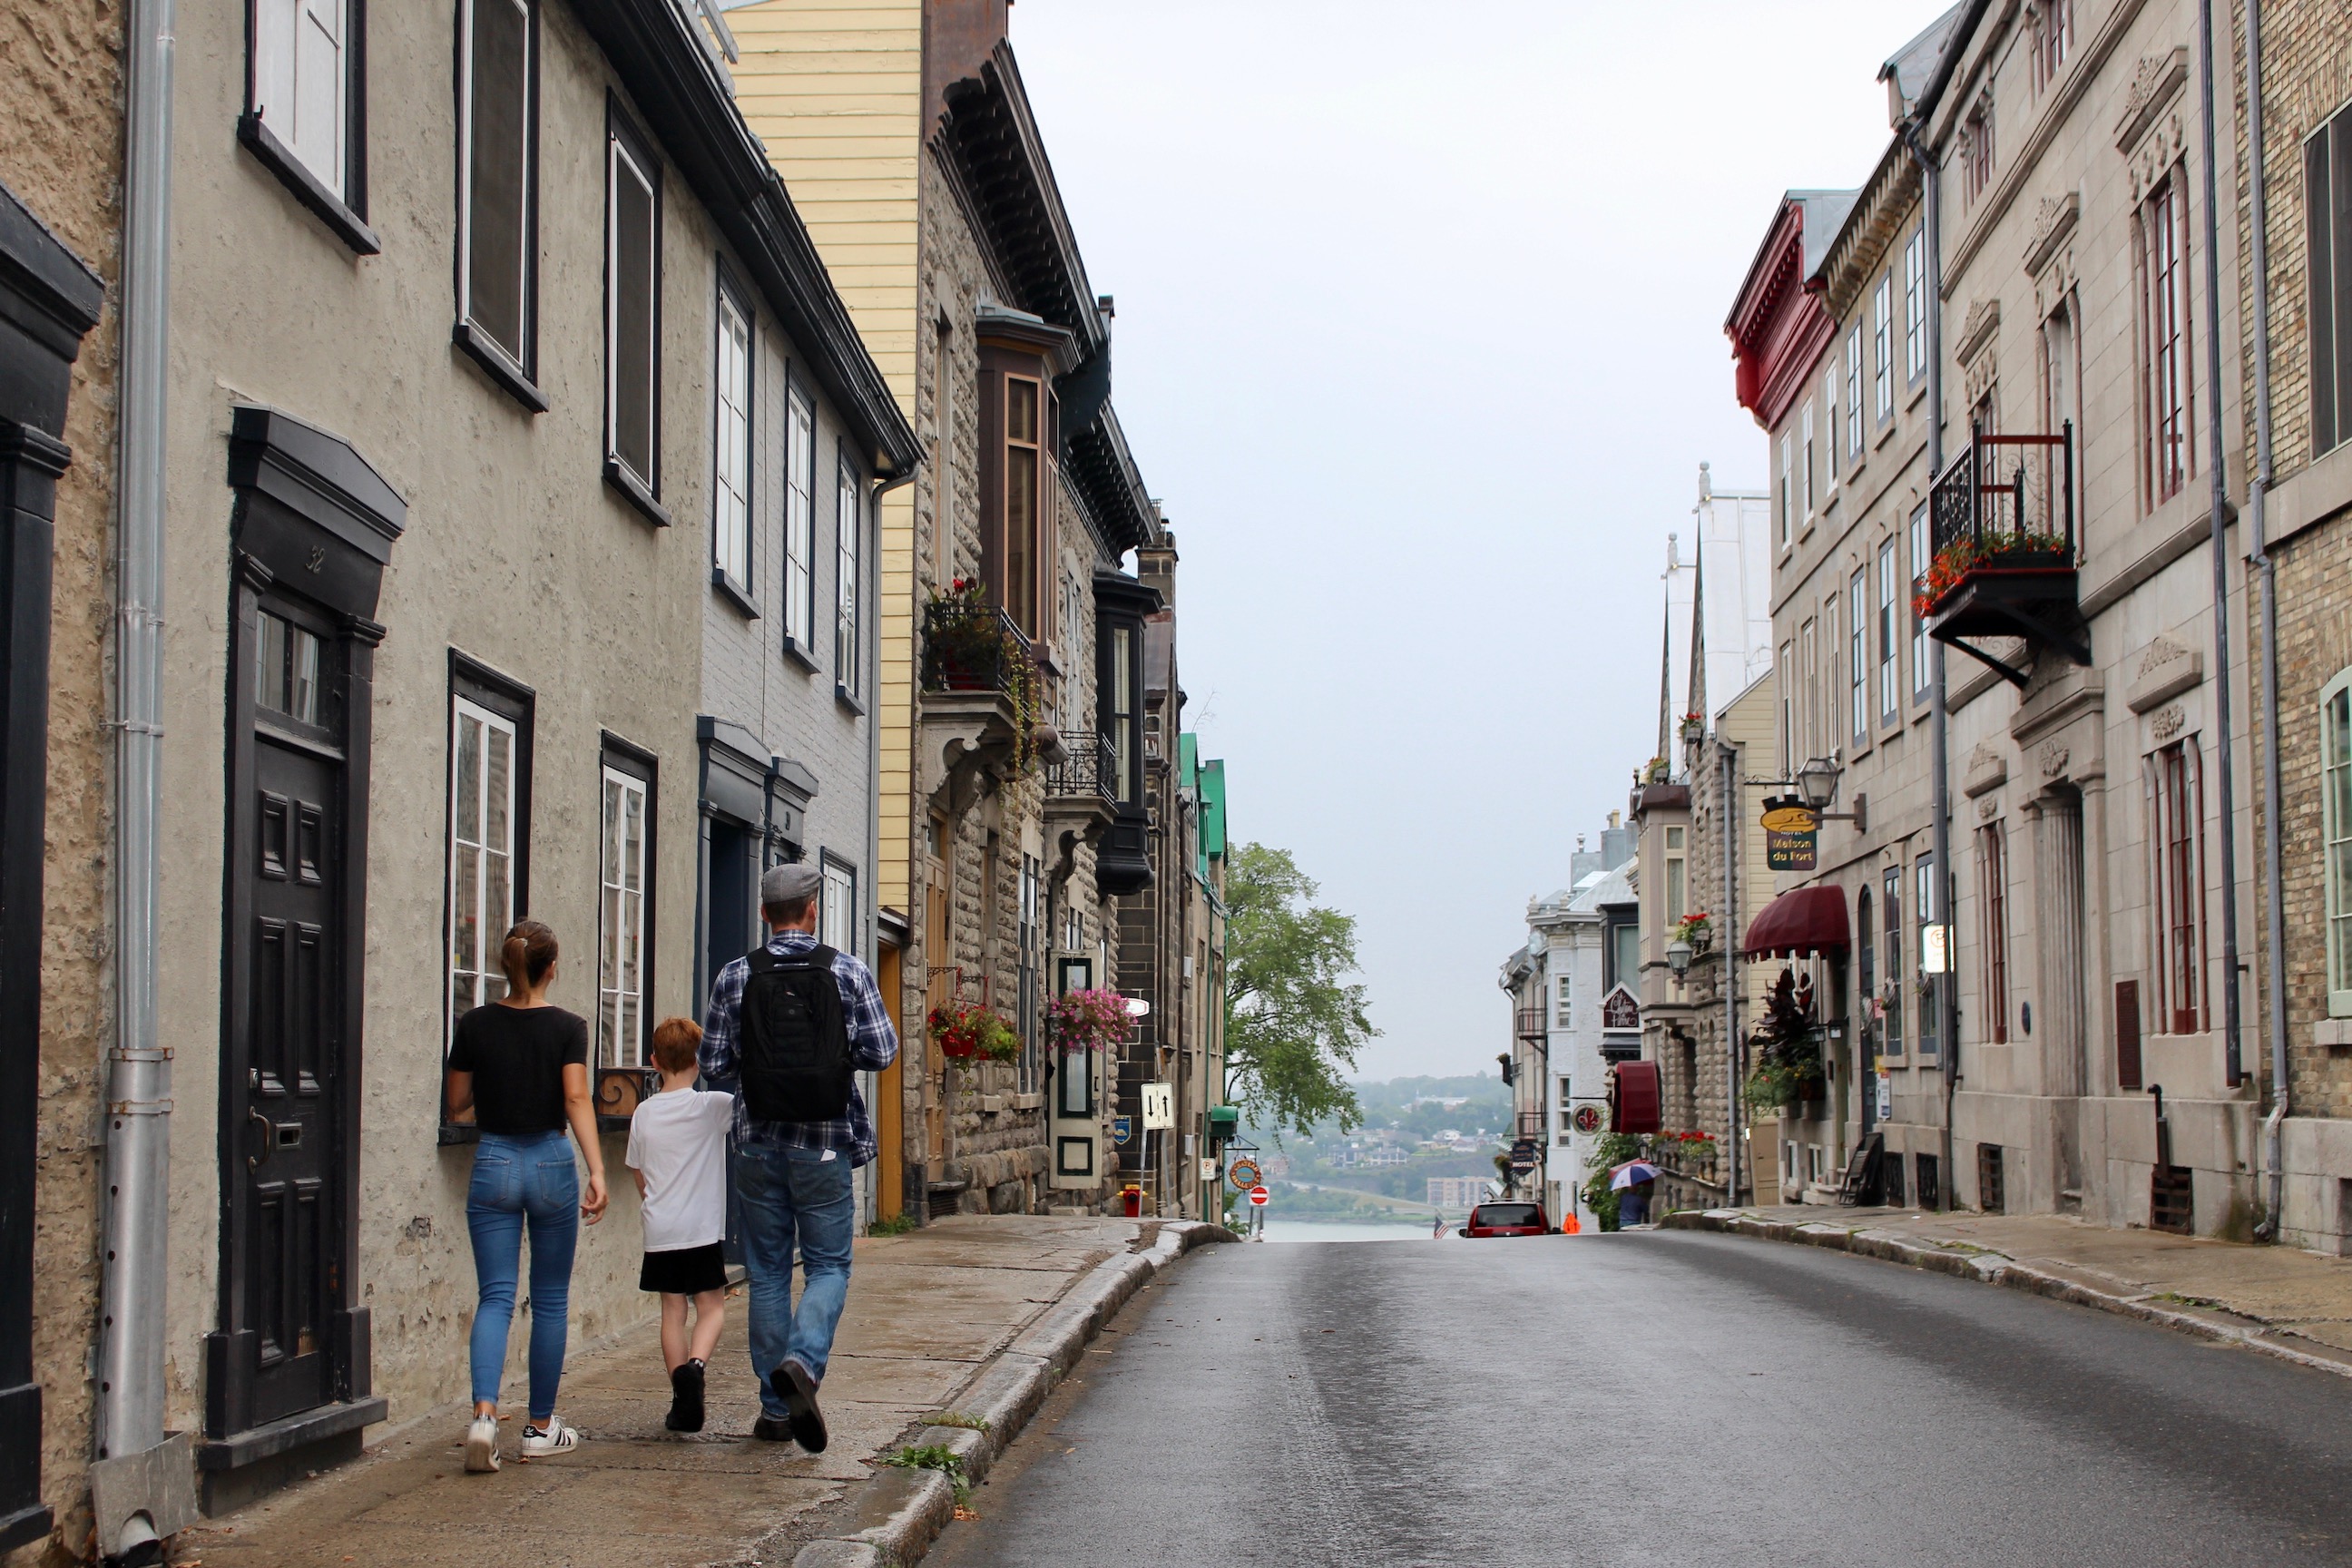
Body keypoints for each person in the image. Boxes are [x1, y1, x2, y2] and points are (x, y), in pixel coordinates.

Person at [701, 863, 898, 1452]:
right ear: (812, 911)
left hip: (757, 1143)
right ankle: (804, 1364)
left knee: (766, 1272)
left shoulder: (736, 975)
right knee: (828, 1266)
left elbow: (713, 1064)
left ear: (765, 914)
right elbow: (881, 1052)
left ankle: (774, 1410)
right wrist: (831, 1056)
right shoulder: (847, 971)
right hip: (823, 1140)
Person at [444, 920, 609, 1474]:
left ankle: (484, 1418)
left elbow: (457, 1102)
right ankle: (539, 1428)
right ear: (551, 969)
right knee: (551, 1299)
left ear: (505, 964)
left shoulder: (474, 1024)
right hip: (550, 1162)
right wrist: (597, 1169)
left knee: (495, 1296)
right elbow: (577, 1098)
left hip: (493, 1159)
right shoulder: (568, 1027)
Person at [625, 1016, 735, 1433]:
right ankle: (696, 1367)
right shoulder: (712, 1106)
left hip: (661, 1228)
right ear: (699, 1061)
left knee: (672, 1311)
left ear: (654, 1061)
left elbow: (638, 1173)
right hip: (701, 1228)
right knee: (711, 1307)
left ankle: (679, 1397)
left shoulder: (642, 1113)